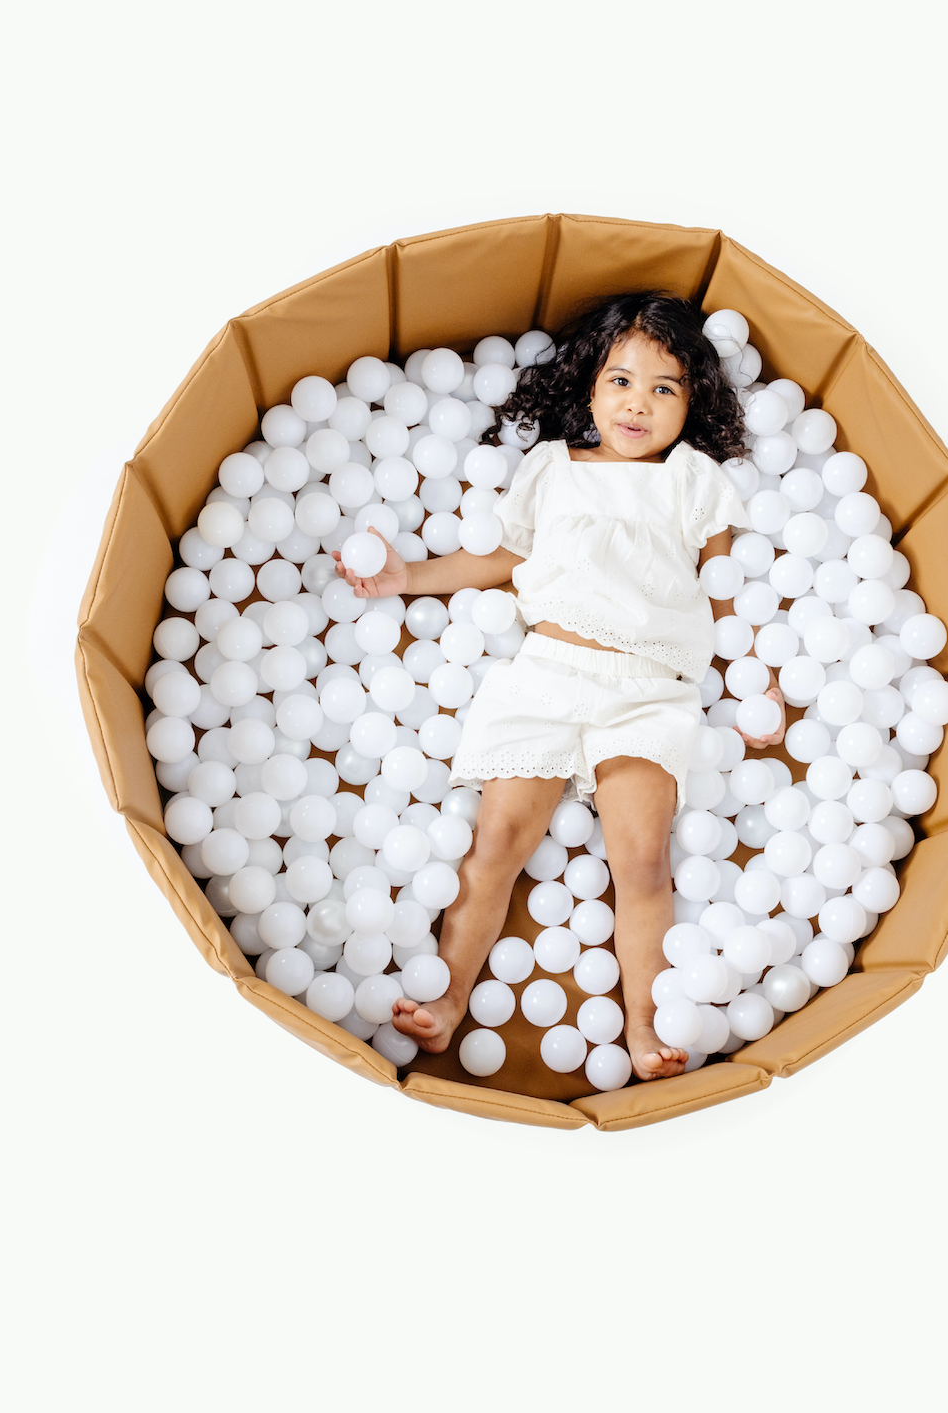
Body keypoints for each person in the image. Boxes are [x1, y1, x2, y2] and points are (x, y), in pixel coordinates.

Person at [333, 292, 786, 1081]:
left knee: (641, 861)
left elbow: (726, 594)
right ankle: (447, 1000)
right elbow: (502, 560)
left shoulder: (693, 481)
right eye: (621, 380)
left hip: (648, 687)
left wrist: (760, 686)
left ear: (692, 404)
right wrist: (409, 578)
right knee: (495, 845)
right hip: (547, 676)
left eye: (664, 388)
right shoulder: (552, 469)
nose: (638, 403)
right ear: (588, 387)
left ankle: (646, 1027)